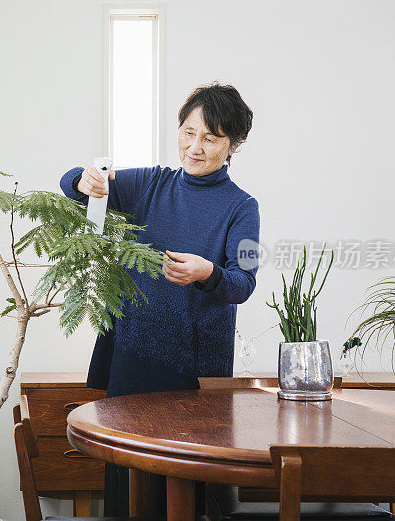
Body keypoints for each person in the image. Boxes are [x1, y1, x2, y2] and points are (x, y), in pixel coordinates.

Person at [59, 82, 260, 516]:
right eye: (188, 132)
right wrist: (82, 179)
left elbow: (244, 283)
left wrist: (208, 273)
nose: (195, 146)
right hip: (132, 354)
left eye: (211, 138)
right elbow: (71, 185)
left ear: (234, 145)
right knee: (126, 488)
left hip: (195, 368)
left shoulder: (244, 207)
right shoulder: (150, 184)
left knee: (191, 491)